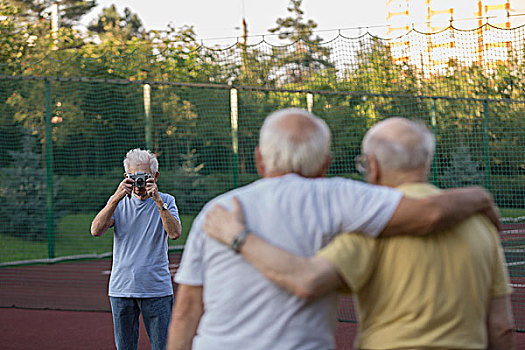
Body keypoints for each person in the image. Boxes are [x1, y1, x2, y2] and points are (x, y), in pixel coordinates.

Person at [167, 108, 498, 350]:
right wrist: (481, 197)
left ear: (259, 159)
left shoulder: (217, 212)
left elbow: (186, 311)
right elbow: (431, 213)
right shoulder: (342, 196)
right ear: (325, 163)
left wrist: (238, 235)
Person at [90, 148, 182, 350]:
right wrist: (116, 197)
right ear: (126, 177)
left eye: (144, 177)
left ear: (155, 177)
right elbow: (96, 230)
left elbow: (175, 233)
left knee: (162, 346)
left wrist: (157, 200)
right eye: (133, 177)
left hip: (156, 289)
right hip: (122, 289)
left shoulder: (166, 200)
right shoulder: (118, 202)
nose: (138, 182)